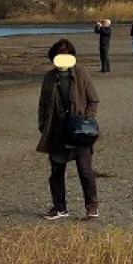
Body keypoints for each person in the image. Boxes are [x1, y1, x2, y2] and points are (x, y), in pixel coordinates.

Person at [37, 39, 99, 220]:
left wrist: (86, 120)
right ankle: (59, 207)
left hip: (80, 132)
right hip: (56, 131)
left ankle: (92, 206)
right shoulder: (49, 77)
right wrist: (42, 125)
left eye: (66, 55)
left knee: (85, 170)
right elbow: (42, 104)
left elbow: (93, 99)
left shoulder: (81, 73)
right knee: (56, 172)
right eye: (59, 55)